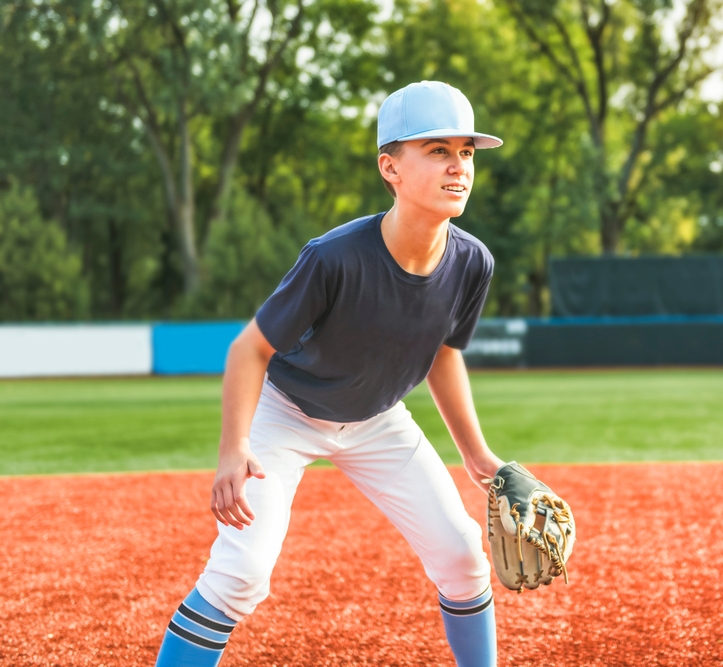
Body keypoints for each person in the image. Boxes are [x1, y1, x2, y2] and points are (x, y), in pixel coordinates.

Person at [153, 80, 505, 667]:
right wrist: (234, 447)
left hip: (376, 420)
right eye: (438, 150)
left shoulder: (473, 261)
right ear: (390, 167)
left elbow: (444, 353)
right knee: (242, 572)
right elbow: (249, 349)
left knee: (464, 556)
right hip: (286, 412)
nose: (459, 166)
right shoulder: (335, 256)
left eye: (466, 152)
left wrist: (477, 456)